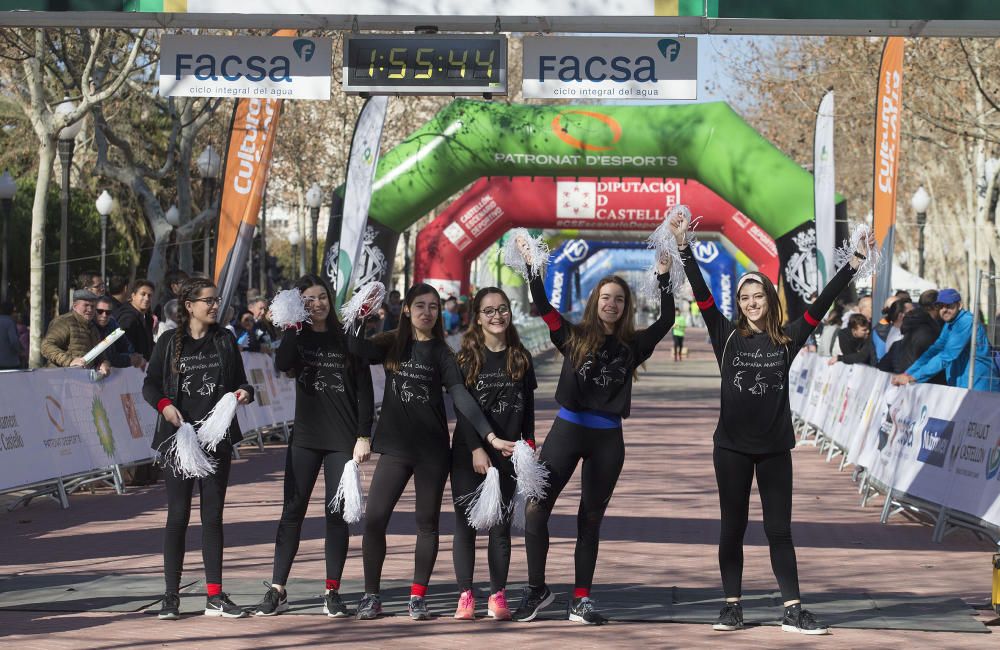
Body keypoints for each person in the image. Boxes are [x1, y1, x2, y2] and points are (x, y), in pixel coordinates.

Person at [677, 217, 868, 635]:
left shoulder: (788, 337)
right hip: (731, 449)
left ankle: (793, 609)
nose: (750, 302)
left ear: (768, 297)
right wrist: (684, 248)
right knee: (733, 528)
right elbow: (704, 293)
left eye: (756, 294)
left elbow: (822, 304)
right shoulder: (724, 335)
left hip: (775, 449)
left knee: (779, 531)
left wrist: (854, 262)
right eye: (744, 297)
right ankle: (731, 606)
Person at [512, 235, 675, 626]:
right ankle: (538, 589)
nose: (612, 304)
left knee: (590, 519)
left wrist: (666, 275)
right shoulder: (570, 335)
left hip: (607, 440)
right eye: (606, 297)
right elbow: (542, 305)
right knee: (536, 510)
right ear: (595, 301)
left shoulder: (635, 345)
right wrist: (534, 264)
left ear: (625, 305)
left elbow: (667, 319)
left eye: (618, 299)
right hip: (566, 432)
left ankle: (580, 599)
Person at [347, 283, 499, 621]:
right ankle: (371, 595)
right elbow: (356, 348)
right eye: (420, 306)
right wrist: (359, 315)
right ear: (406, 310)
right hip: (395, 448)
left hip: (432, 452)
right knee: (374, 520)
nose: (427, 312)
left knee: (427, 524)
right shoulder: (392, 344)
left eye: (433, 306)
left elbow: (460, 395)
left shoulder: (444, 353)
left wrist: (484, 436)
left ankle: (418, 596)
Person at [253, 274, 374, 618]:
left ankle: (332, 591)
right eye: (309, 299)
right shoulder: (297, 337)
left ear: (330, 301)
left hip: (343, 439)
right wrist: (292, 323)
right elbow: (282, 364)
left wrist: (364, 435)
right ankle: (278, 590)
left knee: (336, 516)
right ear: (299, 304)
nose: (317, 303)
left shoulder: (347, 337)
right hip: (305, 438)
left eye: (322, 297)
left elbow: (365, 390)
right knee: (292, 512)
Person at [142, 277, 254, 620]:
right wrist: (164, 405)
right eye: (208, 300)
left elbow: (242, 382)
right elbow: (150, 385)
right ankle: (171, 596)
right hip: (179, 442)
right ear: (189, 306)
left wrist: (243, 394)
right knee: (177, 517)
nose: (214, 306)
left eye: (216, 300)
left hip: (215, 440)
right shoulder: (167, 342)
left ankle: (214, 595)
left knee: (213, 517)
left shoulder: (224, 340)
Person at [452, 287, 537, 621]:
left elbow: (527, 407)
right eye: (489, 311)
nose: (497, 315)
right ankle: (465, 595)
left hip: (509, 454)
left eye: (502, 309)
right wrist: (476, 448)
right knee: (466, 526)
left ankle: (497, 595)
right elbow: (463, 409)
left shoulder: (521, 357)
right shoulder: (466, 358)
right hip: (468, 453)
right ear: (478, 318)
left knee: (500, 527)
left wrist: (528, 444)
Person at [892, 288, 999, 391]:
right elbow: (934, 350)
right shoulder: (950, 323)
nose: (944, 310)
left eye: (949, 306)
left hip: (978, 385)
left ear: (959, 305)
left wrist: (913, 377)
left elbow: (946, 356)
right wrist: (908, 373)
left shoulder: (966, 322)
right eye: (940, 306)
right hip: (963, 385)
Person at [40, 290, 111, 376]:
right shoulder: (64, 322)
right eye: (86, 305)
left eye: (93, 306)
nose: (90, 309)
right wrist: (70, 361)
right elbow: (46, 346)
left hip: (81, 381)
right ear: (74, 306)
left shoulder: (93, 327)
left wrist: (104, 363)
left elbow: (99, 354)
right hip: (60, 379)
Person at [880, 290, 943, 379]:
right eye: (942, 306)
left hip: (907, 384)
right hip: (923, 386)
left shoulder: (898, 344)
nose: (944, 310)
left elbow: (882, 367)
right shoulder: (929, 334)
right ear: (936, 307)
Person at [95, 296, 143, 369]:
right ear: (94, 311)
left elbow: (127, 347)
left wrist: (132, 357)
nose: (104, 315)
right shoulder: (90, 325)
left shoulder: (112, 324)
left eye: (108, 312)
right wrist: (129, 359)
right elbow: (108, 357)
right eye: (100, 311)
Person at [115, 280, 156, 361]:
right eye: (143, 294)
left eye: (150, 295)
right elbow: (122, 344)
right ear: (133, 296)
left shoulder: (147, 318)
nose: (147, 298)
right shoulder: (127, 317)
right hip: (129, 369)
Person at [0, 301, 22, 370]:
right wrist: (20, 351)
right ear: (12, 311)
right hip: (10, 362)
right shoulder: (10, 322)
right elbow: (14, 341)